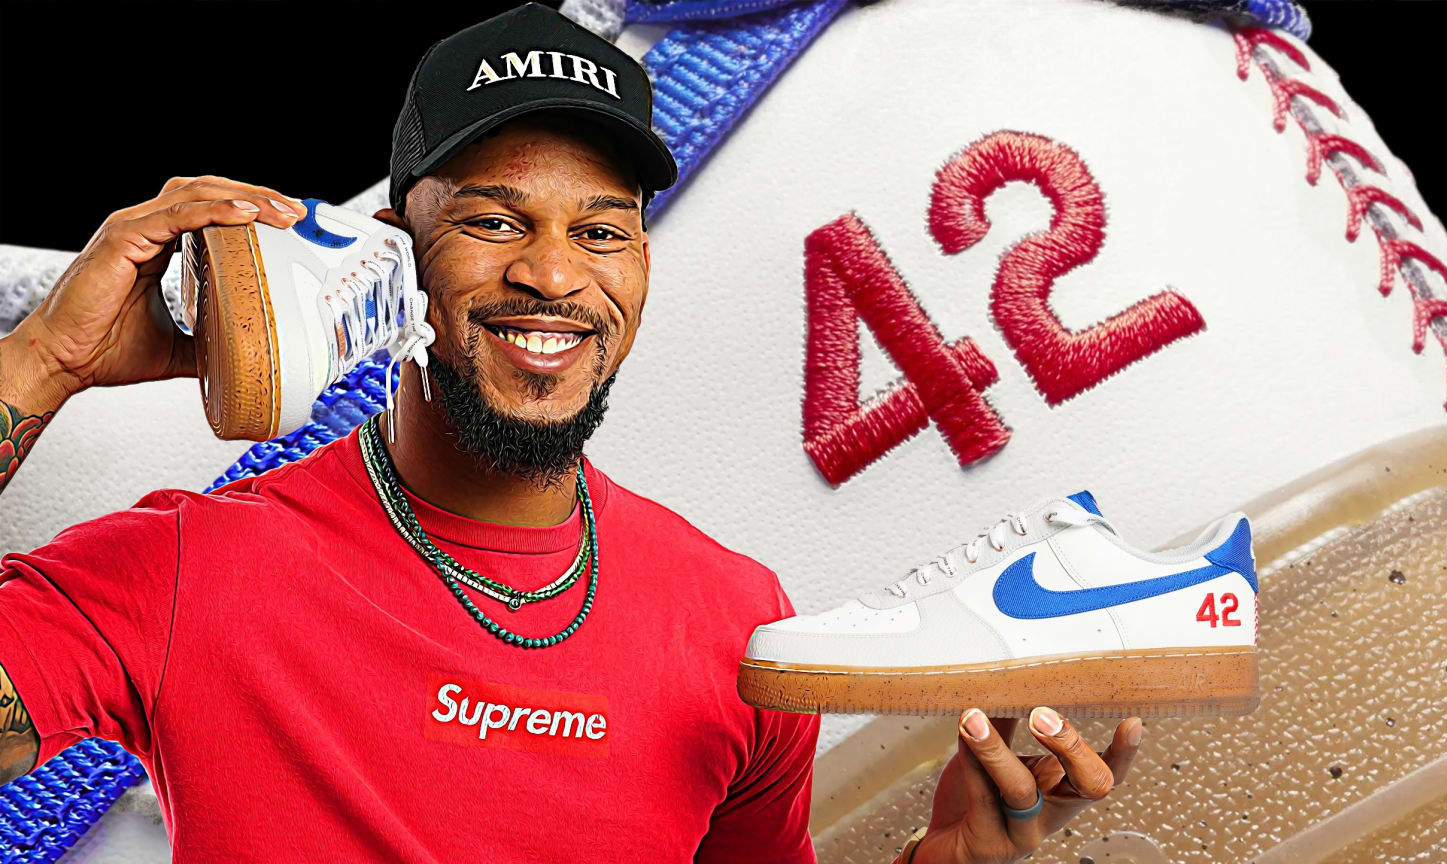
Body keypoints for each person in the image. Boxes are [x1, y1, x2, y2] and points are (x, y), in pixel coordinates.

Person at [0, 5, 1140, 861]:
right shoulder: (189, 571)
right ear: (395, 245)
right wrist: (41, 360)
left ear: (640, 266)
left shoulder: (738, 620)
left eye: (601, 231)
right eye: (494, 222)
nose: (551, 275)